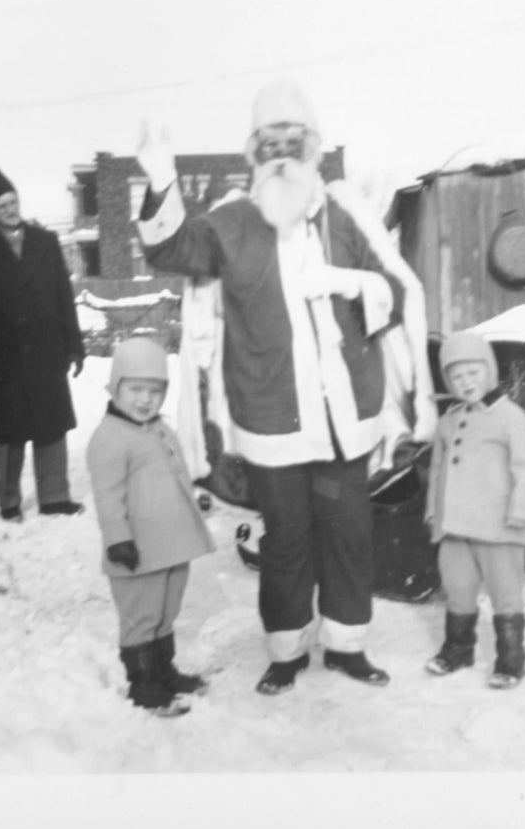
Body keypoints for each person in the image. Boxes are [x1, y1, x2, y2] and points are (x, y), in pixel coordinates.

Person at [135, 79, 430, 696]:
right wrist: (161, 180)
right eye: (270, 142)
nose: (283, 152)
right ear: (254, 151)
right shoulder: (232, 221)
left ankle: (347, 645)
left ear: (313, 148)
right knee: (288, 539)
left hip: (345, 416)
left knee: (349, 533)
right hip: (270, 416)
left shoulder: (345, 214)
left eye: (293, 141)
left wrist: (348, 282)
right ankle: (287, 651)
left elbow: (399, 293)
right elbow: (170, 249)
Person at [87, 337, 214, 718]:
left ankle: (164, 671)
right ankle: (143, 684)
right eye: (136, 390)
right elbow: (108, 498)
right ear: (116, 386)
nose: (145, 400)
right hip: (136, 550)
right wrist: (118, 539)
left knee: (165, 611)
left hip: (172, 545)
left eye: (155, 392)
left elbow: (175, 473)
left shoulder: (159, 428)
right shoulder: (109, 439)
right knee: (141, 616)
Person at [0, 167, 86, 521]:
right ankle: (9, 500)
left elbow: (64, 296)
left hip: (47, 351)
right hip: (4, 357)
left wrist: (74, 345)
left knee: (51, 426)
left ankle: (55, 497)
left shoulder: (45, 242)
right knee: (11, 433)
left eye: (12, 201)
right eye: (0, 206)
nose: (9, 210)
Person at [424, 330, 525, 689]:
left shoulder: (511, 417)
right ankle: (458, 649)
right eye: (457, 377)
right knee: (457, 587)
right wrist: (434, 511)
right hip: (455, 525)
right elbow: (439, 469)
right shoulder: (448, 420)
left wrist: (521, 512)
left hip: (499, 525)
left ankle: (511, 660)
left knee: (505, 590)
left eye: (473, 373)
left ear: (489, 370)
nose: (466, 382)